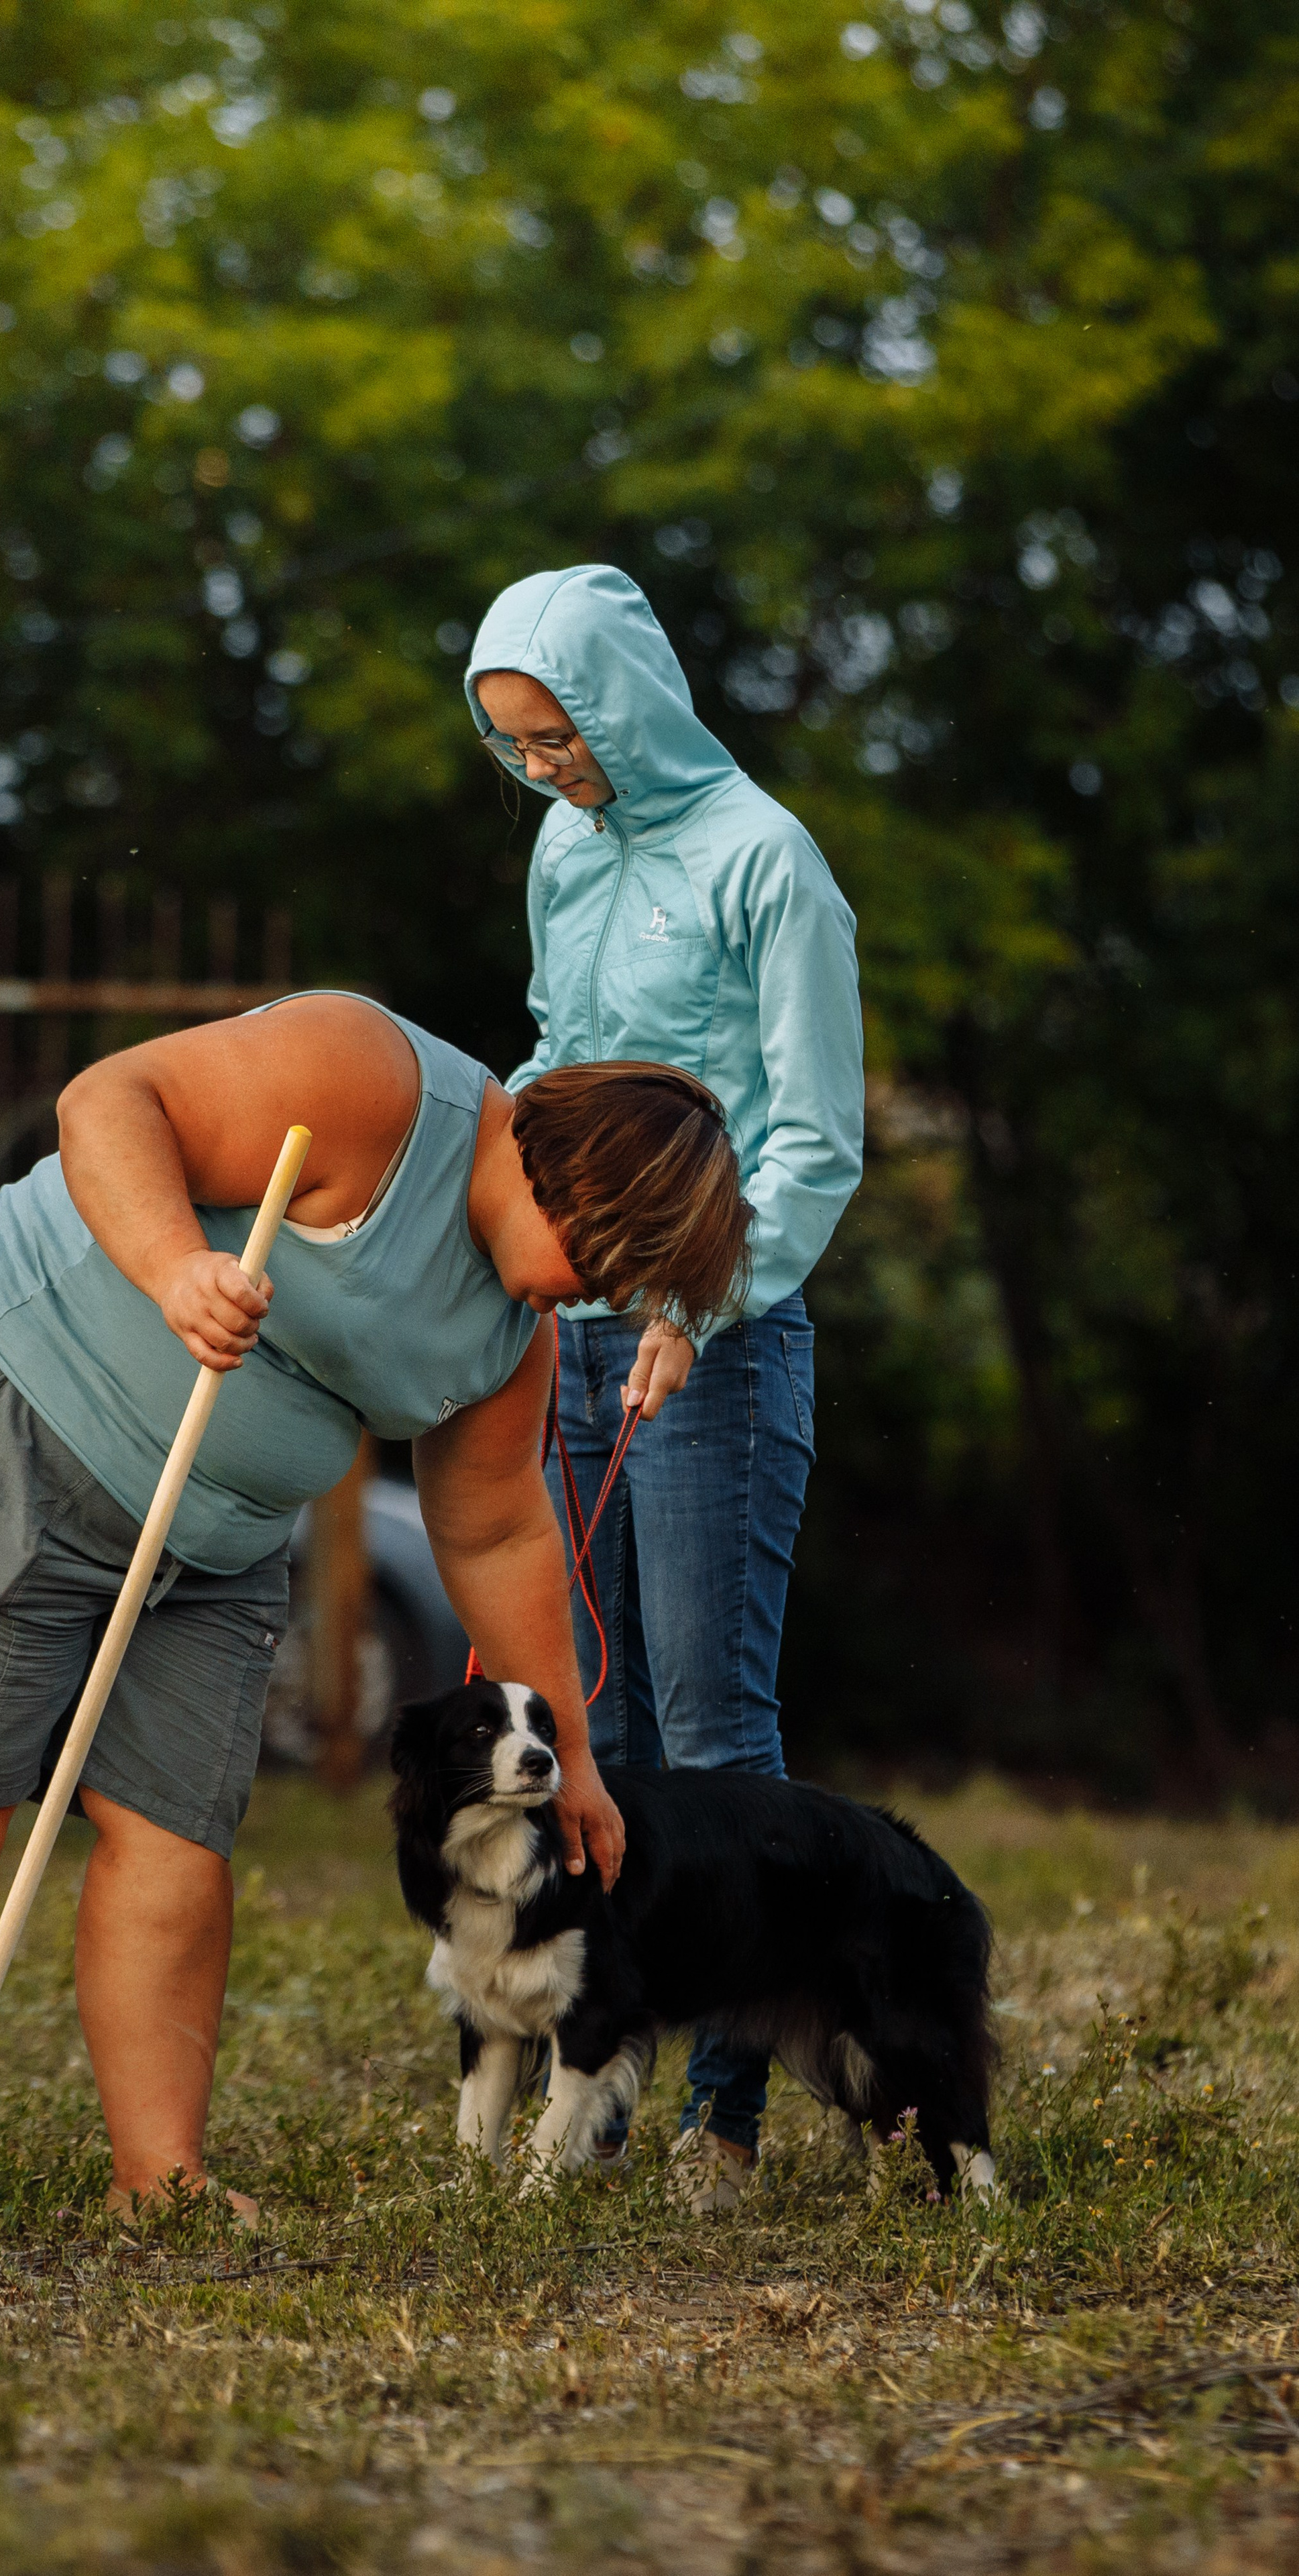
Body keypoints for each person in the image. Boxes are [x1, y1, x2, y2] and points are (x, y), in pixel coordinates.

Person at [0, 991, 748, 2240]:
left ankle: (158, 2178)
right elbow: (109, 1103)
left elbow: (495, 1527)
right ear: (570, 1187)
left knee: (179, 1831)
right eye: (606, 1268)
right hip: (17, 1395)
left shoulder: (515, 1339)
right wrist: (177, 1265)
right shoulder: (371, 1078)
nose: (600, 1301)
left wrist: (579, 1763)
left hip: (217, 1530)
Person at [466, 564, 864, 2211]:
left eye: (557, 736)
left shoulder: (770, 865)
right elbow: (554, 1059)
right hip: (570, 1325)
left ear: (621, 700)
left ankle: (727, 2113)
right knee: (583, 1724)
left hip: (714, 1334)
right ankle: (596, 2079)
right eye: (512, 747)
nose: (543, 769)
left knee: (709, 1728)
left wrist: (704, 1297)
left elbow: (813, 1137)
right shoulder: (565, 849)